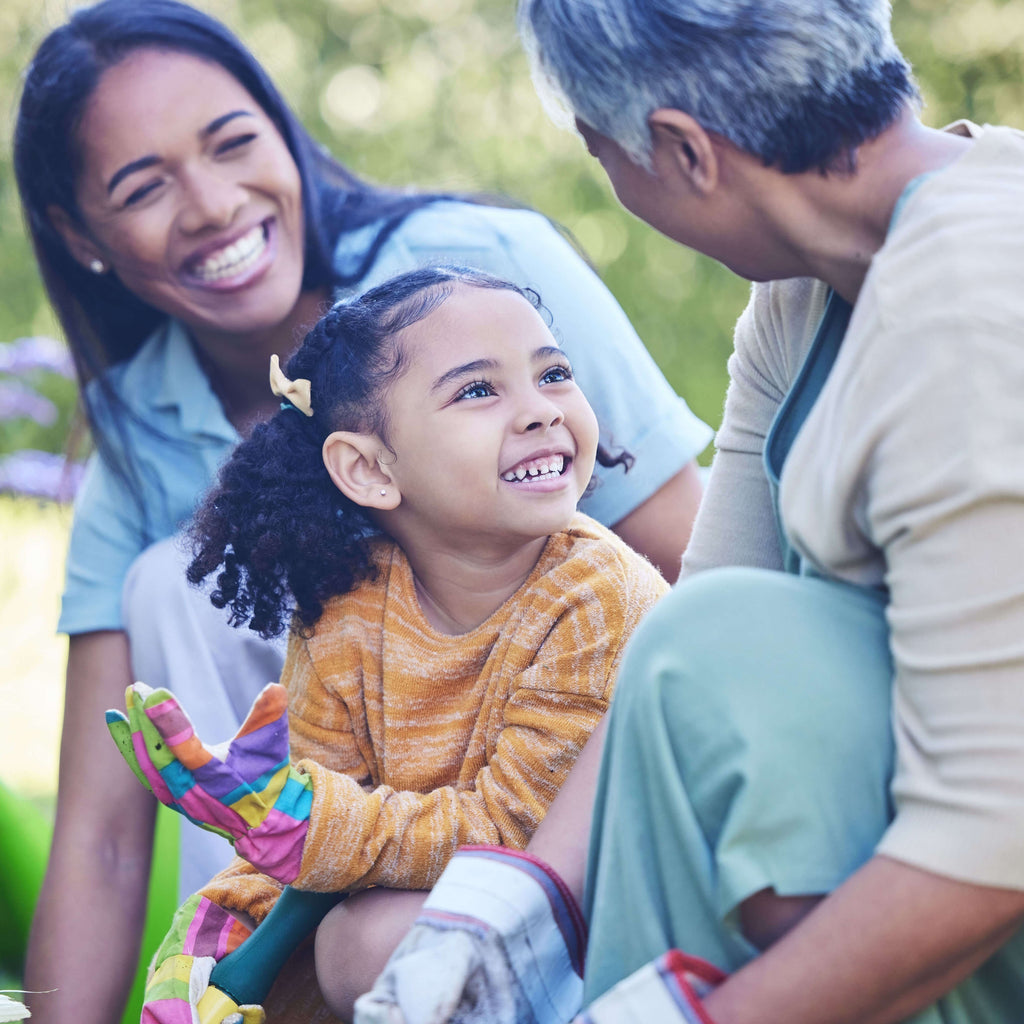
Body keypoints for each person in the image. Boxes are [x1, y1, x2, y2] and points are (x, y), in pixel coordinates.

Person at [13, 1, 712, 1021]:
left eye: (233, 142)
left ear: (286, 135)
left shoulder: (480, 277)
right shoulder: (153, 435)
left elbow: (706, 566)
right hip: (374, 852)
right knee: (173, 580)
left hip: (566, 845)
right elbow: (105, 834)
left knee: (370, 943)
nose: (211, 204)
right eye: (144, 186)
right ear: (82, 235)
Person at [357, 0, 1024, 1021]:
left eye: (604, 156)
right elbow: (699, 623)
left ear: (683, 151)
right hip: (935, 831)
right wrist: (509, 906)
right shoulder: (812, 287)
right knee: (704, 643)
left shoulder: (966, 314)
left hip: (978, 867)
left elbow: (991, 832)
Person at [108, 264, 669, 1022]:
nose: (541, 411)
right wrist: (212, 942)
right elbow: (309, 849)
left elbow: (518, 836)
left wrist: (302, 822)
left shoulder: (600, 595)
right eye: (479, 390)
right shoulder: (345, 614)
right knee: (319, 950)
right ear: (369, 469)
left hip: (619, 918)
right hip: (456, 918)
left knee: (366, 944)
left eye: (554, 374)